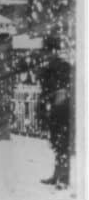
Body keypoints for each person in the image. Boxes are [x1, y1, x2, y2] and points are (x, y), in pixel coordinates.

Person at [37, 34, 73, 189]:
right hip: (54, 110)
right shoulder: (47, 69)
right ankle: (57, 175)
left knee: (62, 144)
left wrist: (58, 96)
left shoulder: (64, 67)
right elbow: (44, 92)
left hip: (63, 110)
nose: (46, 54)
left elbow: (67, 89)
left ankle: (64, 179)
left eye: (48, 51)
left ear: (54, 51)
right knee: (57, 144)